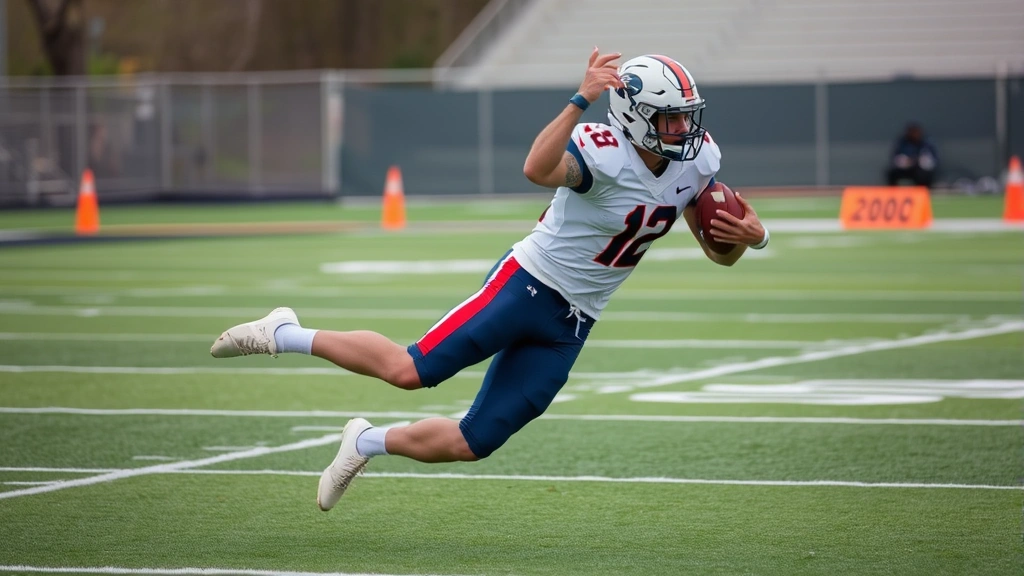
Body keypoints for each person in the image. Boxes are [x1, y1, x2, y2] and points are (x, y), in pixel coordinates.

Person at [209, 49, 770, 512]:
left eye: (686, 116)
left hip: (574, 322)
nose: (684, 129)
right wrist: (580, 99)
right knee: (411, 370)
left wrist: (752, 238)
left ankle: (365, 442)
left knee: (474, 441)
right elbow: (536, 169)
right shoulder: (603, 152)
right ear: (633, 115)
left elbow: (719, 253)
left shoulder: (696, 162)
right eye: (670, 118)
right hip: (528, 285)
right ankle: (284, 333)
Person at [886, 122, 938, 188]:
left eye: (916, 132)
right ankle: (894, 192)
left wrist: (920, 160)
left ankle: (923, 192)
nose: (914, 134)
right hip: (905, 169)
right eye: (912, 132)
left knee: (923, 175)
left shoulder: (926, 143)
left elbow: (932, 160)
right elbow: (896, 159)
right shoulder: (902, 143)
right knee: (892, 173)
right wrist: (907, 161)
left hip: (921, 169)